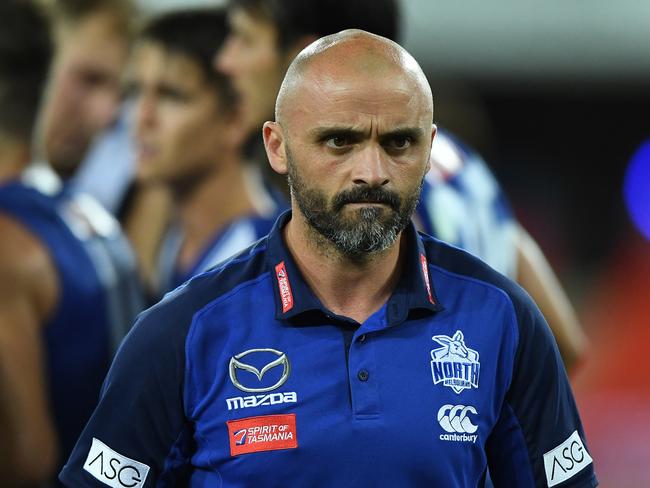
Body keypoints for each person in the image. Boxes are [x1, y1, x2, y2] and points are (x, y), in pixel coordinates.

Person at [60, 30, 596, 487]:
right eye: (340, 141)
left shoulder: (502, 317)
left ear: (430, 147)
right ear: (276, 147)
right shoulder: (182, 332)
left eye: (400, 143)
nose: (372, 171)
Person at [216, 0, 586, 370]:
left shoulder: (360, 198)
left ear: (306, 54)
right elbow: (565, 344)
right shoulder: (454, 159)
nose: (225, 63)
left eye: (245, 40)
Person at [0, 0, 143, 484]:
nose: (108, 117)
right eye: (87, 79)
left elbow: (27, 461)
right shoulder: (90, 217)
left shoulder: (10, 242)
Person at [127, 10, 283, 297]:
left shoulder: (269, 259)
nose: (142, 116)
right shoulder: (172, 240)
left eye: (171, 95)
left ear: (234, 119)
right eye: (136, 91)